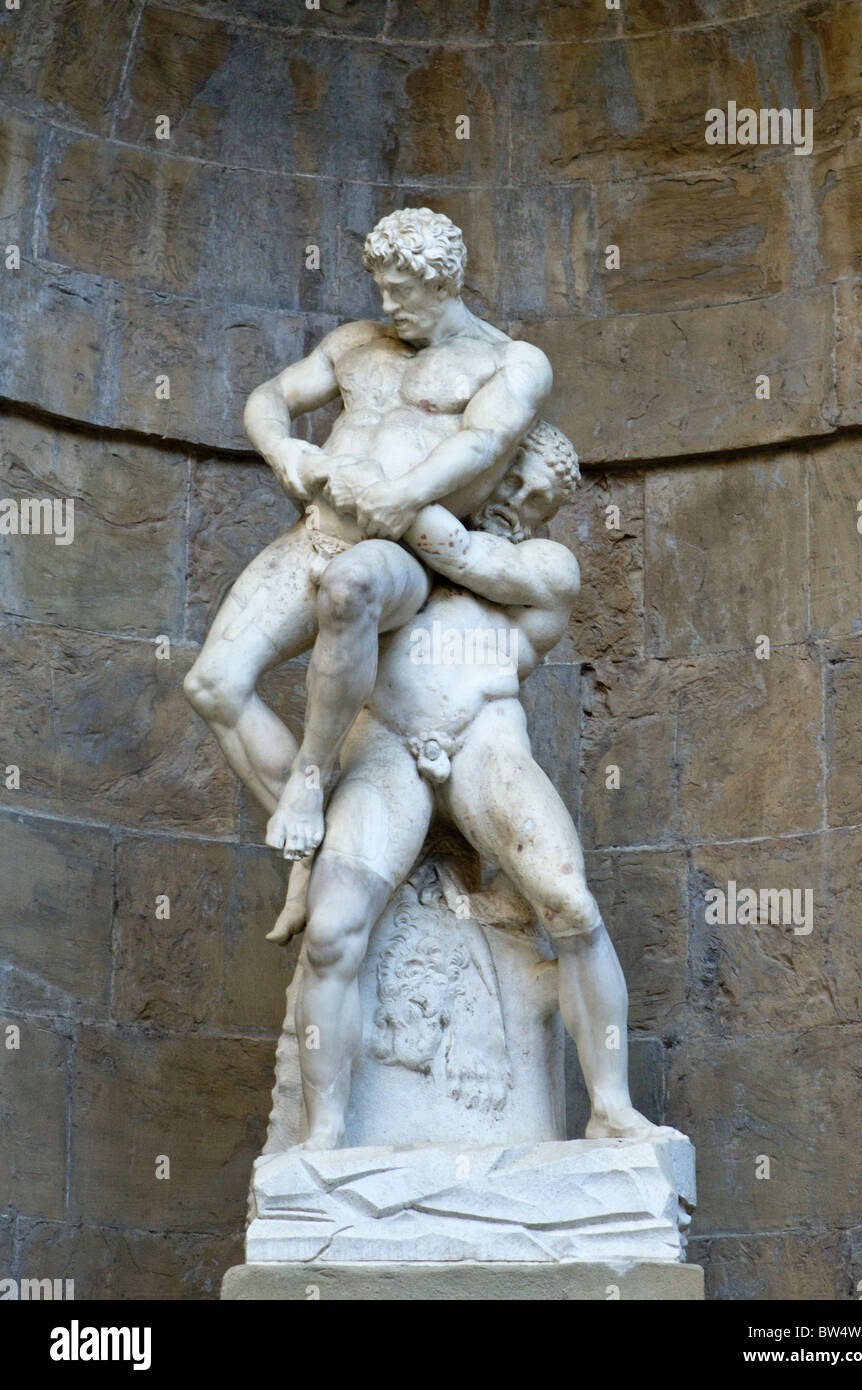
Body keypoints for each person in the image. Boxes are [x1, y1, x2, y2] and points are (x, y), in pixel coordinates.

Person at [270, 426, 670, 1151]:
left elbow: (457, 550)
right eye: (511, 480)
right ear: (490, 465)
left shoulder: (544, 565)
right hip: (388, 744)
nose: (516, 503)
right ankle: (324, 1138)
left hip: (485, 743)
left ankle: (611, 1107)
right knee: (331, 934)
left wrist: (371, 479)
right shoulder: (390, 564)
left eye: (537, 500)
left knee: (572, 905)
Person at [184, 208, 552, 857]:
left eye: (401, 293)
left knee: (350, 585)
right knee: (213, 684)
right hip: (317, 532)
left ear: (443, 284)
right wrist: (283, 451)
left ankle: (310, 776)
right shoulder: (357, 341)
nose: (387, 305)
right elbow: (271, 395)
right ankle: (327, 860)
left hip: (401, 553)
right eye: (380, 288)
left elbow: (486, 438)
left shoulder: (507, 361)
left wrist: (404, 494)